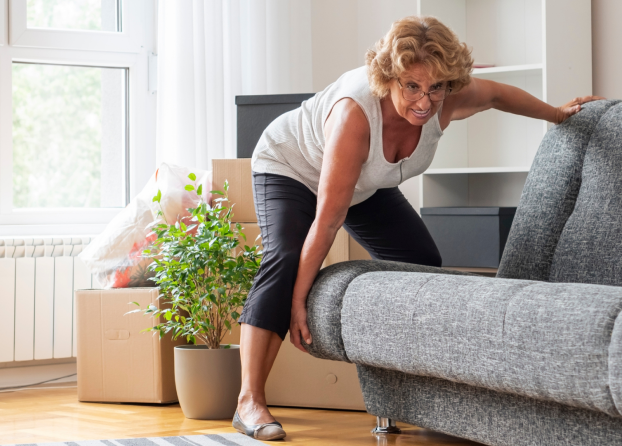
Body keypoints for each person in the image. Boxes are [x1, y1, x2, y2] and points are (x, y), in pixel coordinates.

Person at [231, 15, 604, 441]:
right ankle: (249, 401)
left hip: (365, 183)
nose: (425, 102)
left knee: (421, 261)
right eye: (411, 87)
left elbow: (499, 94)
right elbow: (329, 218)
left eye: (436, 88)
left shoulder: (446, 98)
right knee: (284, 258)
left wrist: (558, 114)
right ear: (388, 78)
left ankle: (412, 395)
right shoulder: (355, 114)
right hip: (293, 167)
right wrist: (298, 302)